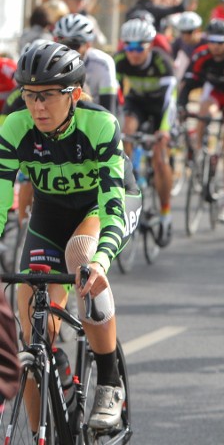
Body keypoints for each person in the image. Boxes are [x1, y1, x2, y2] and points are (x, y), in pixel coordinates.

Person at [0, 42, 141, 429]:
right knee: (30, 332)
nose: (37, 107)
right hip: (52, 213)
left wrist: (101, 261)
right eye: (29, 96)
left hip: (103, 206)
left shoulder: (99, 124)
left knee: (81, 257)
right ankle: (48, 388)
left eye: (47, 96)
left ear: (74, 94)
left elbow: (112, 203)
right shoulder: (15, 126)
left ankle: (109, 383)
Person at [178, 20, 224, 223]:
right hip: (215, 94)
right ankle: (199, 153)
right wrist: (182, 106)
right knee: (204, 111)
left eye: (220, 42)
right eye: (212, 41)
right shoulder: (201, 55)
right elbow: (188, 84)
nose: (216, 46)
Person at [114, 18, 178, 245]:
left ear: (150, 45)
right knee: (125, 129)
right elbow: (115, 97)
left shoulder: (163, 63)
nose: (133, 52)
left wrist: (164, 130)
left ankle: (165, 214)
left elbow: (171, 101)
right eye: (128, 46)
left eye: (138, 46)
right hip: (138, 104)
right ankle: (131, 175)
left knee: (161, 159)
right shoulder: (120, 61)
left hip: (161, 109)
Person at [53, 13, 120, 117]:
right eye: (63, 43)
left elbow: (108, 111)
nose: (68, 50)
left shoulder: (103, 63)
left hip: (94, 116)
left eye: (74, 45)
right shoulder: (50, 62)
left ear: (88, 45)